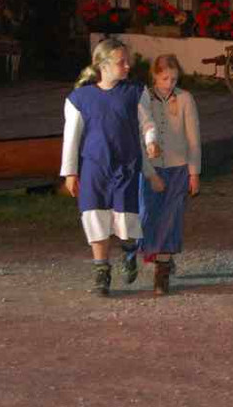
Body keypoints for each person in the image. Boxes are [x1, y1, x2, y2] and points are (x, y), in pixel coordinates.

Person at [60, 37, 162, 296]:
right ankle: (101, 272)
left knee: (125, 222)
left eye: (127, 61)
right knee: (95, 217)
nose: (128, 66)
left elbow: (147, 123)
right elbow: (71, 138)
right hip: (94, 168)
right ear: (103, 65)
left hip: (126, 166)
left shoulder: (135, 92)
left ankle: (128, 251)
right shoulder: (79, 99)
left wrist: (151, 141)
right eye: (121, 62)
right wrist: (70, 172)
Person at [120, 54, 202, 296]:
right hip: (150, 168)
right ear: (155, 76)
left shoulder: (185, 99)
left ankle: (162, 270)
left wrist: (194, 173)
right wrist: (147, 166)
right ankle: (135, 251)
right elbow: (139, 134)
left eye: (174, 79)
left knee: (171, 217)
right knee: (147, 216)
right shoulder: (143, 98)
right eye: (165, 78)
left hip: (178, 167)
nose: (169, 83)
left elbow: (194, 139)